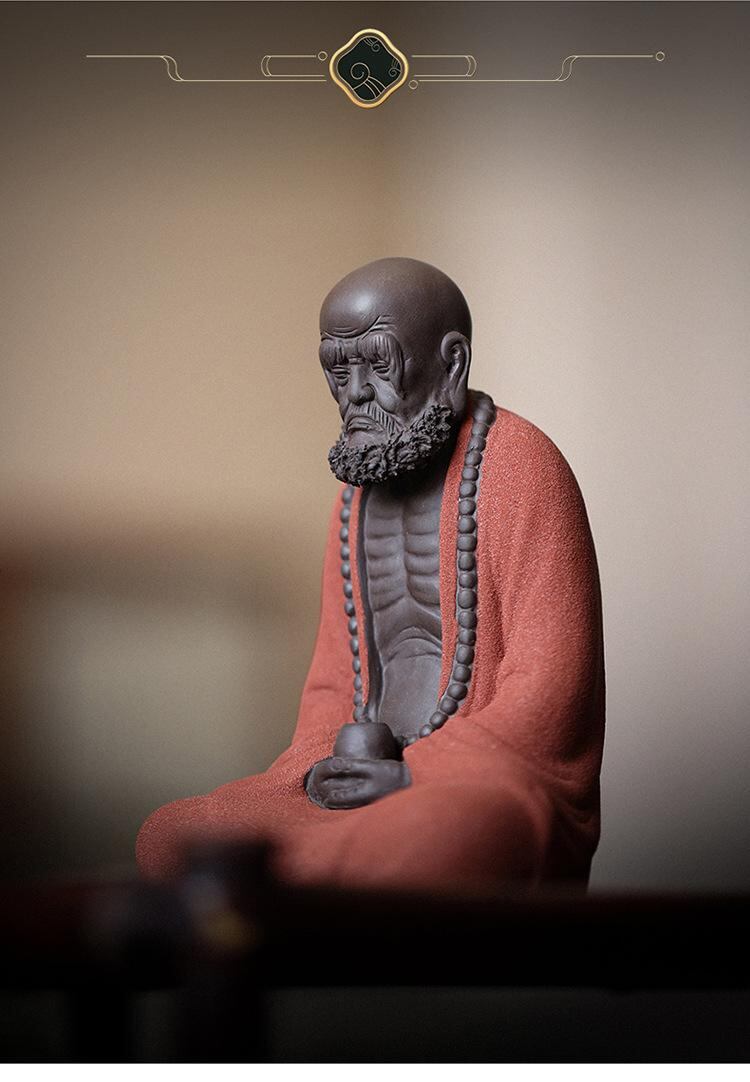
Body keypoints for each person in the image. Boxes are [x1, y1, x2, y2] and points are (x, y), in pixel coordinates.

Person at [137, 258, 605, 892]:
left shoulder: (523, 467)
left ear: (452, 364)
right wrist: (319, 770)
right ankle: (333, 877)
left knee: (451, 834)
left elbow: (551, 688)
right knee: (170, 832)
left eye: (378, 365)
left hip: (475, 783)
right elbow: (334, 683)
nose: (355, 392)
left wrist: (419, 774)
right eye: (338, 369)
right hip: (356, 780)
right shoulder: (355, 497)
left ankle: (311, 883)